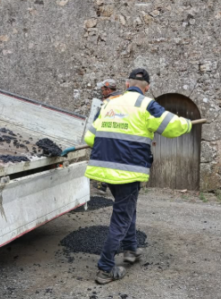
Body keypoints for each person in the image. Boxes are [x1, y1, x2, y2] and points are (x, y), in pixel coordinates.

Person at [83, 68, 194, 284]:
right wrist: (188, 124)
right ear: (147, 88)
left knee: (127, 209)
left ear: (126, 85)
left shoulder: (108, 104)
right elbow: (172, 127)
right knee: (122, 217)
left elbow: (89, 138)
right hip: (128, 173)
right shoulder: (146, 105)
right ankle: (105, 268)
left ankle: (131, 249)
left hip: (105, 171)